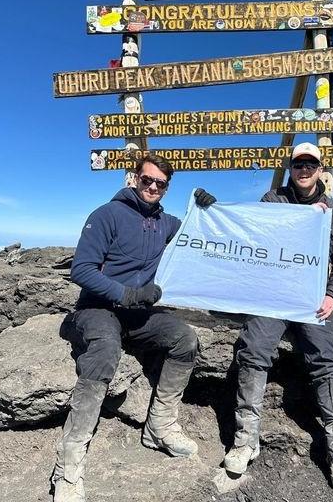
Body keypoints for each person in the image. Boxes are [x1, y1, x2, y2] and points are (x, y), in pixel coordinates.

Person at [51, 154, 213, 502]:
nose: (152, 187)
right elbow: (81, 270)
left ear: (167, 188)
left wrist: (206, 210)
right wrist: (126, 294)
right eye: (147, 179)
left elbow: (202, 233)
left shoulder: (166, 223)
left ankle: (160, 427)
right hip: (98, 308)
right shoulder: (107, 214)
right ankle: (69, 465)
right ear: (134, 178)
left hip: (138, 315)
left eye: (160, 183)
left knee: (185, 338)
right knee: (105, 351)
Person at [198, 142, 333, 491]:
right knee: (253, 350)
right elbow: (248, 232)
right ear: (290, 168)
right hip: (272, 296)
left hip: (312, 299)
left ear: (320, 170)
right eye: (298, 164)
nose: (304, 170)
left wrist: (332, 295)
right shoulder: (273, 200)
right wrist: (212, 210)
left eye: (310, 164)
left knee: (326, 361)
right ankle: (245, 441)